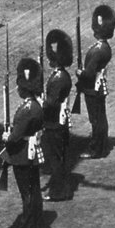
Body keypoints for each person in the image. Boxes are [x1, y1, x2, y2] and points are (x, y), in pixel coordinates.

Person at [2, 57, 44, 228]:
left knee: (27, 194)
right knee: (34, 191)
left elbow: (15, 136)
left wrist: (7, 137)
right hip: (32, 151)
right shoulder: (36, 106)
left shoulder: (26, 109)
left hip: (22, 154)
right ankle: (34, 225)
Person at [76, 4, 115, 159]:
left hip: (93, 87)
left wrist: (80, 73)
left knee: (96, 119)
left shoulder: (98, 50)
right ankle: (102, 145)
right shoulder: (104, 47)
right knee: (100, 117)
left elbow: (89, 74)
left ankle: (97, 148)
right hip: (99, 86)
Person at [41, 29, 74, 202]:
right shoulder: (60, 75)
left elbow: (51, 103)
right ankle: (61, 188)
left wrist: (40, 103)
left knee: (55, 159)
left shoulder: (59, 78)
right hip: (58, 121)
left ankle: (59, 191)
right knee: (57, 158)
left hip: (55, 122)